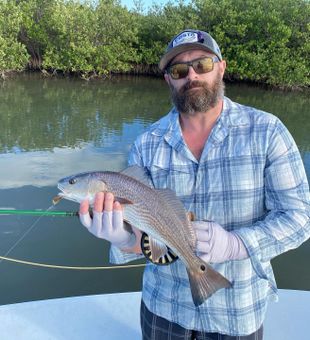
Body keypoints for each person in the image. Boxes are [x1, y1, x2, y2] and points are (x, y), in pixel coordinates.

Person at [79, 29, 310, 339]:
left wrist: (238, 244)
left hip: (236, 313)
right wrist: (120, 238)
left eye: (202, 65)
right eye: (178, 70)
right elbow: (143, 239)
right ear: (168, 80)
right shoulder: (147, 143)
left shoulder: (268, 131)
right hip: (164, 309)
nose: (191, 76)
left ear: (221, 67)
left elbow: (300, 218)